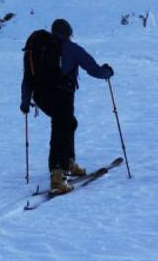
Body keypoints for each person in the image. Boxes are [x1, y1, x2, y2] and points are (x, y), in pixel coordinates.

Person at [20, 18, 114, 195]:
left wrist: (25, 101)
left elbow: (27, 78)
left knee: (69, 123)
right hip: (62, 94)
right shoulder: (70, 48)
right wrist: (107, 72)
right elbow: (93, 68)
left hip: (41, 97)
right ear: (67, 34)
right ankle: (57, 173)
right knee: (61, 127)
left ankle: (68, 162)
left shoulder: (36, 50)